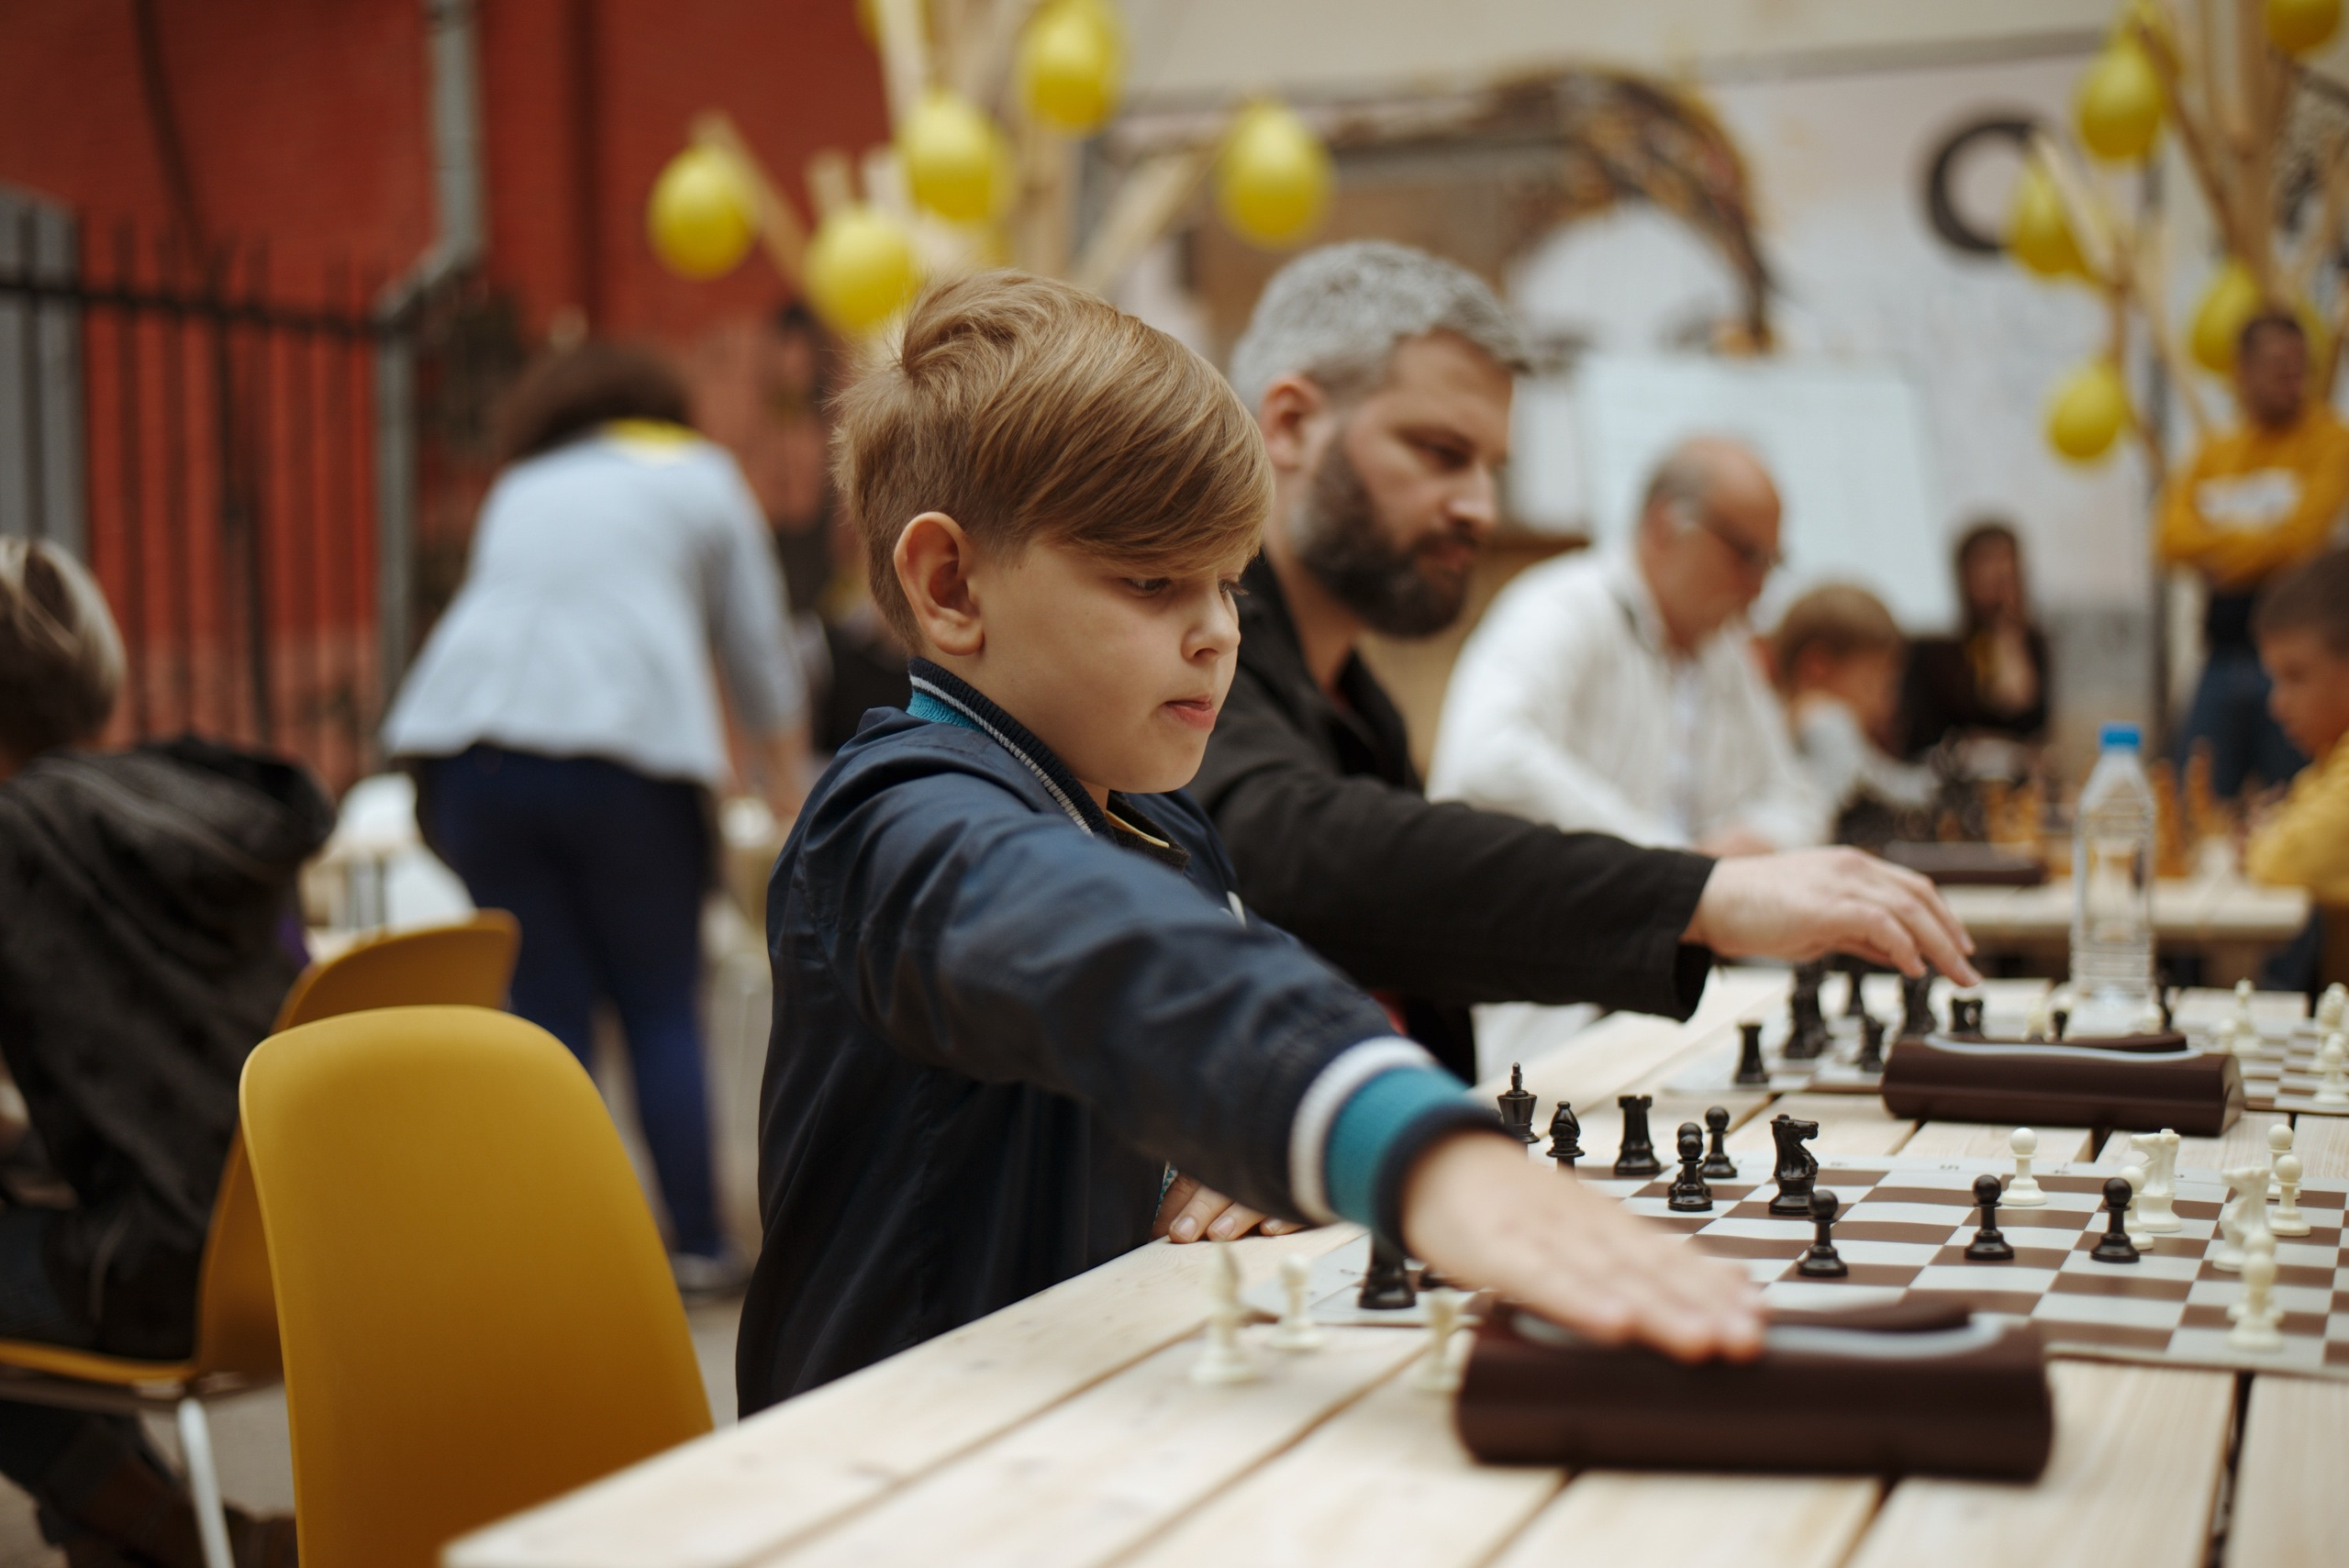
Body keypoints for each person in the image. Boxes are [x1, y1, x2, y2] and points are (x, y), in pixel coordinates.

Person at [736, 272, 1763, 1412]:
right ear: (951, 584)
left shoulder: (1158, 819)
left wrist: (1223, 1155)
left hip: (1089, 1399)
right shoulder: (890, 821)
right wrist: (1391, 1137)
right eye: (1152, 579)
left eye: (1227, 581)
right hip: (895, 1469)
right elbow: (1103, 953)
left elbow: (1219, 1011)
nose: (1219, 631)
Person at [1190, 242, 1969, 1091]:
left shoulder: (1358, 699)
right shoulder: (1194, 649)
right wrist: (1700, 891)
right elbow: (1289, 848)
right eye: (1441, 452)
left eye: (1493, 469)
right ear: (1293, 424)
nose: (1480, 509)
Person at [383, 340, 811, 1294]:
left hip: (469, 751)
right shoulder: (699, 473)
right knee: (659, 1001)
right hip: (628, 754)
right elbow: (758, 647)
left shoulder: (523, 481)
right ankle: (697, 1245)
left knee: (546, 1007)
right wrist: (787, 783)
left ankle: (559, 1248)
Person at [0, 539, 310, 1564]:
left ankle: (159, 1531)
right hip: (301, 1249)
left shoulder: (21, 836)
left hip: (161, 1274)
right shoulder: (204, 815)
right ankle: (156, 1530)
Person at [1430, 435, 1829, 855]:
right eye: (1746, 556)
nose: (1758, 587)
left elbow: (1798, 798)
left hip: (1672, 907)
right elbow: (1485, 763)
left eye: (1770, 562)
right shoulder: (1563, 607)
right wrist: (1668, 864)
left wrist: (1756, 839)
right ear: (1665, 525)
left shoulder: (1721, 648)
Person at [2160, 313, 2349, 798]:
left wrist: (2221, 542)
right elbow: (2169, 538)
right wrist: (2265, 539)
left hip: (2296, 664)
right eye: (2278, 367)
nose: (2293, 380)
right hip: (2221, 651)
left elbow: (2302, 538)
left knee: (2300, 797)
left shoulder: (2330, 441)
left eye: (2299, 367)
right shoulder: (2214, 450)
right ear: (2242, 372)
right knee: (2194, 795)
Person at [1775, 583, 1935, 846]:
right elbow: (1867, 789)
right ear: (1817, 670)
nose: (1888, 704)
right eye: (1874, 684)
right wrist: (1939, 783)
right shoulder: (1821, 717)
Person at [2244, 549, 2349, 908]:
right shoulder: (2334, 757)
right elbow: (2295, 811)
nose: (2277, 704)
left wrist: (2258, 843)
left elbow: (2289, 860)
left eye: (2296, 676)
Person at [1899, 519, 2050, 759]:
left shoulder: (2031, 644)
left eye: (2004, 562)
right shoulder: (1937, 651)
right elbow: (1927, 735)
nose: (1995, 575)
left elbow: (2031, 725)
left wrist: (2009, 639)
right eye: (1985, 561)